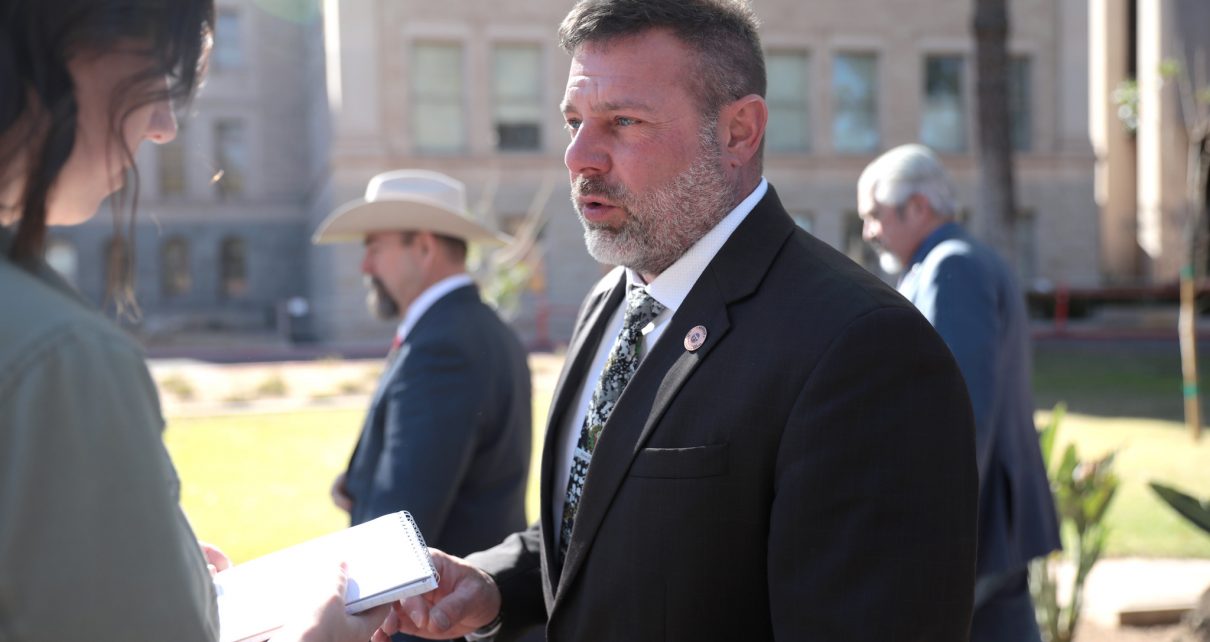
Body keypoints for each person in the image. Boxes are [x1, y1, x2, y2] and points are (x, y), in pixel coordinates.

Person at [373, 2, 979, 640]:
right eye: (574, 121)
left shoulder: (865, 350)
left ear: (739, 131)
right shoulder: (611, 303)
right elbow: (600, 518)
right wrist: (494, 585)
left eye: (623, 121)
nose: (579, 157)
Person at [0, 1, 388, 640]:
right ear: (65, 43)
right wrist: (318, 636)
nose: (164, 125)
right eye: (160, 71)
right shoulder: (61, 358)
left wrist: (162, 567)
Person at [857, 143, 1061, 641]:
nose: (869, 232)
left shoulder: (952, 269)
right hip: (991, 523)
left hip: (972, 527)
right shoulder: (959, 261)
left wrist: (936, 530)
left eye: (875, 215)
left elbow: (961, 411)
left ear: (919, 207)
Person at [312, 171, 532, 564]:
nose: (365, 266)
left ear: (424, 248)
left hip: (434, 618)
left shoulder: (443, 346)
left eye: (375, 248)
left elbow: (400, 524)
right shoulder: (478, 328)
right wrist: (359, 483)